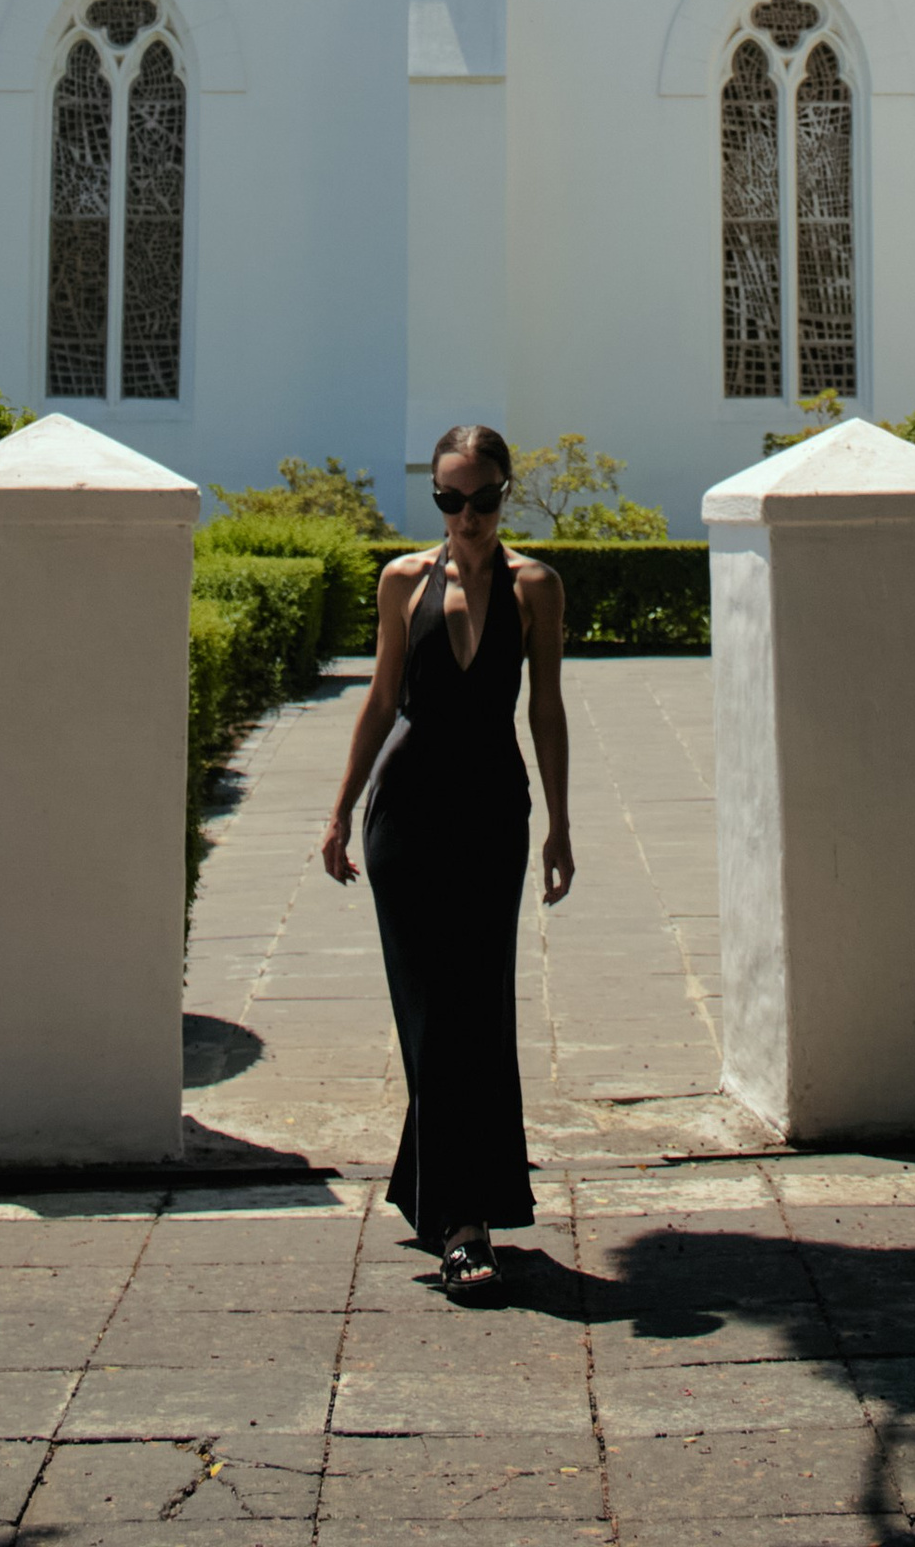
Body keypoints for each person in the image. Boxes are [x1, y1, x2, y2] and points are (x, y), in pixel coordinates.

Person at [320, 422, 572, 1296]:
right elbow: (382, 697)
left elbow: (546, 709)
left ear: (507, 493)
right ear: (436, 498)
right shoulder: (403, 580)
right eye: (450, 499)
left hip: (494, 809)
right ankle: (464, 1222)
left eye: (484, 497)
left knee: (477, 1009)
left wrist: (561, 824)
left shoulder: (536, 586)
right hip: (408, 814)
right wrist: (340, 809)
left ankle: (432, 1190)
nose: (468, 515)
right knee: (431, 1017)